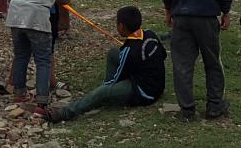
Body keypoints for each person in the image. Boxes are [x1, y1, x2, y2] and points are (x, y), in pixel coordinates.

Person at [38, 7, 166, 122]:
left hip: (144, 92)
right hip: (157, 84)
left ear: (121, 26)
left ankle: (65, 113)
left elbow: (118, 75)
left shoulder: (130, 50)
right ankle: (106, 93)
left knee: (103, 92)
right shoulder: (150, 34)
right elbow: (163, 55)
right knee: (113, 53)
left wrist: (105, 90)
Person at [6, 0, 70, 110]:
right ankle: (42, 101)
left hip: (16, 13)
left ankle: (19, 94)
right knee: (43, 59)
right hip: (38, 17)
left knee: (21, 55)